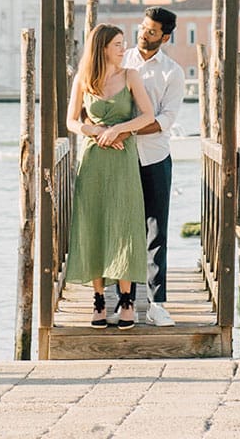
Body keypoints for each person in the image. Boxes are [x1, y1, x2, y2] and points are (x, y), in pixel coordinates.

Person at [64, 23, 156, 329]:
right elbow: (71, 121)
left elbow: (148, 115)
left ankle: (127, 301)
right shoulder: (84, 79)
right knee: (94, 224)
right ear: (102, 47)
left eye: (123, 43)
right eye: (118, 44)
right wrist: (96, 130)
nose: (123, 48)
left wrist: (118, 129)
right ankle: (100, 300)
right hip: (93, 159)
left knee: (124, 224)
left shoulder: (131, 75)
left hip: (122, 157)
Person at [109, 6, 183, 327]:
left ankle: (156, 303)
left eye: (152, 31)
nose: (143, 34)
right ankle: (125, 302)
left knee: (156, 232)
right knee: (123, 229)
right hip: (119, 158)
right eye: (142, 28)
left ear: (165, 37)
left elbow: (165, 121)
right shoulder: (119, 62)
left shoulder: (173, 72)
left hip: (154, 159)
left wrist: (127, 128)